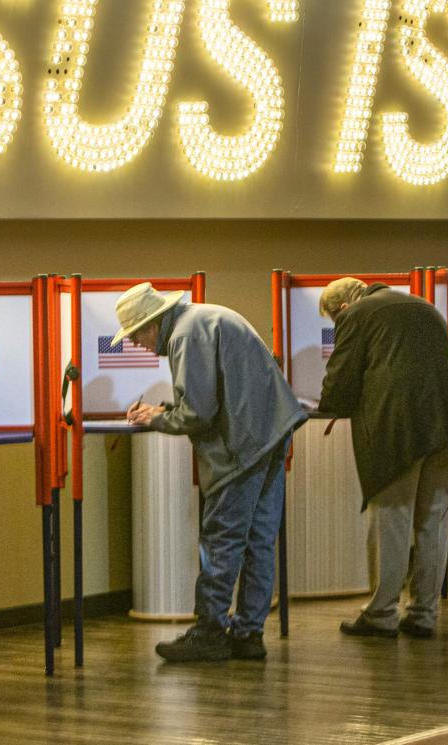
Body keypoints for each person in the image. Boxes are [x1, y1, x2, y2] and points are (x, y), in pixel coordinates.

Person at [118, 282, 308, 662]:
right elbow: (216, 392)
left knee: (222, 540)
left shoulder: (184, 335)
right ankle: (249, 634)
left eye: (136, 335)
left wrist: (158, 419)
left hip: (243, 445)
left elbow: (199, 412)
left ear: (152, 323)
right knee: (259, 540)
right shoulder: (206, 317)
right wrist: (166, 410)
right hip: (273, 433)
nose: (137, 344)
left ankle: (209, 630)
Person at [316, 277, 448, 639]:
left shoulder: (357, 315)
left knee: (392, 518)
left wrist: (324, 405)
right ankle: (424, 613)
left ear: (341, 309)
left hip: (399, 430)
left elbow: (340, 378)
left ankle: (381, 614)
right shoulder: (425, 307)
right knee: (433, 520)